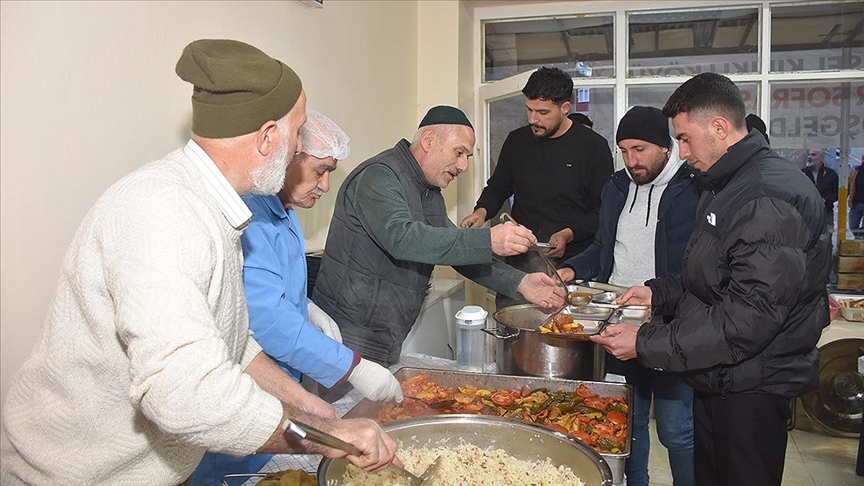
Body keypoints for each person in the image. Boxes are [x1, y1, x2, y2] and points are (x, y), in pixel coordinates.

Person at [0, 39, 397, 486]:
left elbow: (234, 343)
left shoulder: (212, 206)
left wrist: (314, 409)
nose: (299, 148)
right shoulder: (162, 212)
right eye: (298, 132)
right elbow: (185, 393)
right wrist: (327, 435)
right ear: (268, 137)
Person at [592, 73, 831, 486]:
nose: (681, 153)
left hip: (752, 386)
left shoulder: (765, 197)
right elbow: (710, 277)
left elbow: (747, 320)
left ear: (719, 128)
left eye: (685, 139)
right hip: (720, 375)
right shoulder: (725, 184)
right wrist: (656, 294)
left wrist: (644, 343)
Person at [190, 110, 403, 485]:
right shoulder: (251, 214)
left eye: (329, 174)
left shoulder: (285, 212)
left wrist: (308, 307)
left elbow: (274, 287)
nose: (324, 185)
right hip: (245, 388)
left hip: (279, 389)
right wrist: (353, 366)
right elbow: (265, 319)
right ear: (288, 159)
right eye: (319, 171)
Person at [312, 105, 565, 367]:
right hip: (345, 335)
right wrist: (489, 239)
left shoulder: (429, 193)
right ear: (429, 140)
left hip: (385, 335)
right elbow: (403, 238)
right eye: (459, 153)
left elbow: (457, 252)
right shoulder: (378, 176)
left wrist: (521, 282)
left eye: (467, 156)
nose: (464, 166)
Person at [558, 106, 697, 486]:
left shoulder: (692, 189)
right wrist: (570, 269)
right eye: (624, 150)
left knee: (675, 429)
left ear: (665, 146)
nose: (631, 160)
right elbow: (604, 247)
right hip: (617, 324)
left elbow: (696, 270)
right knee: (625, 427)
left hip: (670, 327)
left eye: (640, 149)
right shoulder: (616, 187)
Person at [459, 66, 614, 308]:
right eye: (529, 110)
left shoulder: (593, 147)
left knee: (565, 333)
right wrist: (481, 212)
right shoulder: (516, 141)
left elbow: (602, 212)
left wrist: (568, 234)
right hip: (520, 261)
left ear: (565, 109)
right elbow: (498, 187)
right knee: (513, 330)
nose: (533, 119)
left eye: (542, 112)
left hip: (572, 263)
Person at [803, 147, 839, 220]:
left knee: (827, 230)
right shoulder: (802, 174)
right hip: (806, 213)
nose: (810, 157)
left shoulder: (831, 174)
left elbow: (837, 193)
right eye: (809, 154)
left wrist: (825, 200)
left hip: (826, 212)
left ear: (821, 159)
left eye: (813, 155)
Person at [849, 153, 864, 239]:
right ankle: (859, 238)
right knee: (853, 225)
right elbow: (848, 184)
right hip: (856, 203)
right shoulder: (856, 171)